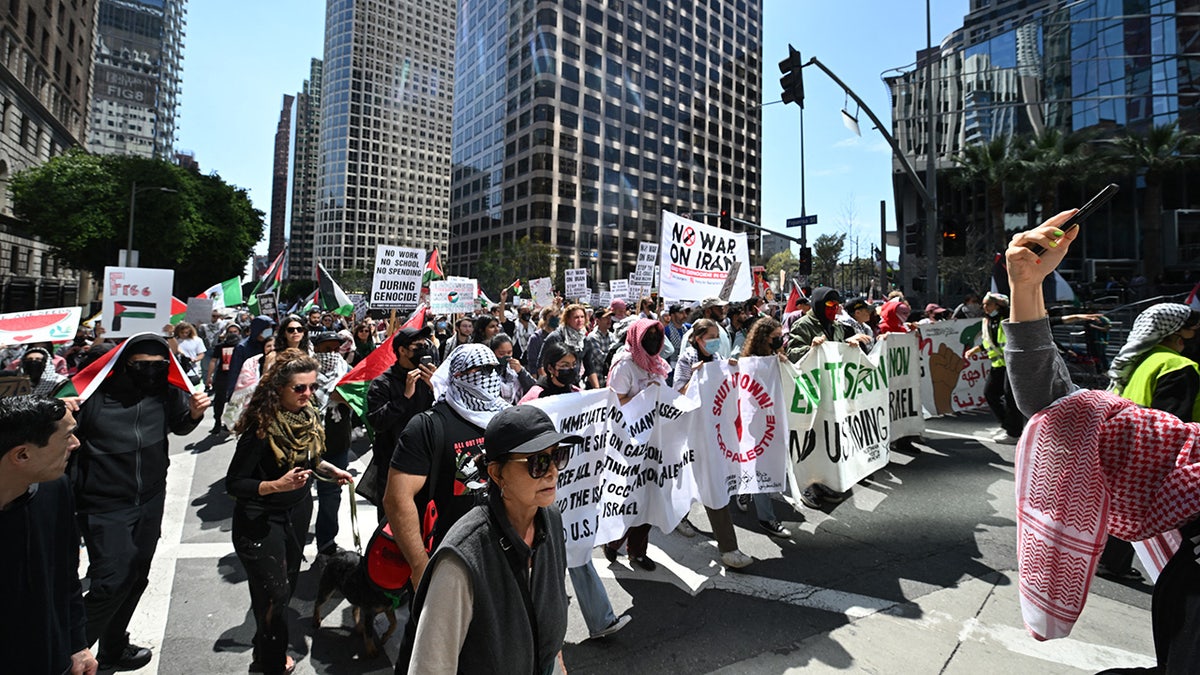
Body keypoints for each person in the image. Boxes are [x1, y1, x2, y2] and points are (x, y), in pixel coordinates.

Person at [1004, 213, 1200, 673]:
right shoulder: (1177, 370)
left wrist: (1028, 288)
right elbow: (1068, 413)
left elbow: (1069, 412)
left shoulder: (1145, 362)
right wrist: (1026, 287)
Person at [403, 405, 577, 673]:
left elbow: (548, 613)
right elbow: (430, 666)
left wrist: (557, 661)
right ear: (497, 473)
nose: (553, 471)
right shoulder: (462, 558)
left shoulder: (550, 519)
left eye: (558, 457)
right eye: (537, 462)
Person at [72, 334, 210, 671]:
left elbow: (178, 426)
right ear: (124, 365)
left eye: (159, 365)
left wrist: (192, 415)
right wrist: (60, 410)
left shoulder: (165, 391)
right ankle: (69, 653)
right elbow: (55, 431)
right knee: (112, 579)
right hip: (103, 504)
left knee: (137, 577)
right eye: (142, 366)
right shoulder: (89, 397)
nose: (152, 371)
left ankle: (114, 648)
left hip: (150, 498)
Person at [227, 349, 352, 675]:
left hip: (296, 514)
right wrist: (274, 486)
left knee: (281, 592)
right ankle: (268, 663)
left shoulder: (307, 417)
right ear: (278, 388)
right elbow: (235, 483)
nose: (308, 394)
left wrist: (330, 470)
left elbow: (309, 461)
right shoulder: (261, 426)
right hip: (259, 520)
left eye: (312, 387)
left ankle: (265, 649)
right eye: (300, 388)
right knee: (276, 594)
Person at [384, 344, 510, 589]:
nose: (490, 376)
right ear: (458, 376)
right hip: (449, 559)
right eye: (480, 370)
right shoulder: (427, 426)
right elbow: (397, 499)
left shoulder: (506, 420)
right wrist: (421, 566)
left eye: (494, 369)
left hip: (502, 559)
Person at [1093, 303, 1200, 581]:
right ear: (1177, 332)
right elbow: (1173, 419)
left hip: (1129, 446)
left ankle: (1110, 562)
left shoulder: (1140, 358)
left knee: (1124, 509)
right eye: (1194, 329)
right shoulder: (1178, 365)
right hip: (1159, 453)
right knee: (1148, 516)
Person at [0, 395, 97, 675]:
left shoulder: (55, 489)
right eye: (67, 437)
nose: (76, 444)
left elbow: (67, 576)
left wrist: (77, 644)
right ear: (22, 455)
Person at [672, 318, 757, 567]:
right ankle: (728, 548)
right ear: (698, 339)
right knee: (705, 481)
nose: (715, 340)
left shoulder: (718, 360)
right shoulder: (687, 359)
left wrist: (732, 370)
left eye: (716, 335)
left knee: (706, 481)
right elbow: (677, 391)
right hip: (693, 431)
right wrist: (696, 377)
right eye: (710, 336)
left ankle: (681, 516)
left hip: (715, 431)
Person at [603, 318, 670, 571]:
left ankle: (638, 552)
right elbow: (615, 401)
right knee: (628, 496)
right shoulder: (625, 365)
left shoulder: (657, 365)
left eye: (656, 335)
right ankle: (613, 540)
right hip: (628, 442)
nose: (653, 340)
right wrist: (643, 396)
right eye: (648, 336)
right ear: (636, 337)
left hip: (653, 440)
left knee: (649, 495)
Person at [364, 326, 438, 514]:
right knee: (393, 519)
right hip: (393, 462)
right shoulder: (382, 383)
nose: (422, 350)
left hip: (426, 459)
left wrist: (436, 389)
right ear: (402, 351)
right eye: (417, 347)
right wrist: (404, 398)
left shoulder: (429, 378)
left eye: (425, 345)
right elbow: (377, 422)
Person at [736, 317, 794, 538]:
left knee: (762, 462)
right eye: (775, 338)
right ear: (763, 339)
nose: (780, 341)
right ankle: (766, 518)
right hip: (756, 423)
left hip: (773, 420)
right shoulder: (749, 362)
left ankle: (744, 488)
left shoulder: (774, 358)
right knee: (762, 466)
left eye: (781, 337)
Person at [312, 333, 354, 554]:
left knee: (330, 496)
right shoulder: (303, 373)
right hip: (306, 445)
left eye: (335, 349)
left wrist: (344, 398)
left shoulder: (348, 372)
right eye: (326, 349)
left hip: (336, 444)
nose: (331, 354)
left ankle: (326, 542)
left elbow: (360, 402)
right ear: (316, 349)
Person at [965, 292, 1024, 444]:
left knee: (1010, 399)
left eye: (988, 304)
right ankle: (1010, 426)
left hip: (1012, 365)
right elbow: (989, 343)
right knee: (990, 393)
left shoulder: (1008, 320)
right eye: (983, 304)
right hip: (998, 365)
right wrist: (974, 350)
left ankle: (1014, 433)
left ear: (998, 305)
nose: (984, 307)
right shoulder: (988, 321)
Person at [225, 315, 277, 400]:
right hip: (248, 392)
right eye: (266, 329)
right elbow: (235, 371)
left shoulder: (271, 345)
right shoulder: (242, 347)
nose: (269, 332)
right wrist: (232, 394)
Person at [205, 323, 243, 433]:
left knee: (235, 401)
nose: (232, 334)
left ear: (239, 333)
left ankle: (230, 423)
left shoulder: (242, 346)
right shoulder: (220, 346)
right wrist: (209, 376)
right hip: (223, 376)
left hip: (237, 377)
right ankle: (217, 422)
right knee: (219, 401)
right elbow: (213, 361)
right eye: (230, 332)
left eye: (235, 332)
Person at [488, 333, 534, 405]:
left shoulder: (515, 367)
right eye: (502, 353)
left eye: (509, 352)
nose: (506, 356)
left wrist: (521, 372)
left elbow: (533, 389)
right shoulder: (487, 371)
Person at [582, 307, 614, 390]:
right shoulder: (592, 337)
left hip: (608, 382)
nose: (609, 320)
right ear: (598, 320)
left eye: (610, 318)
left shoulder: (612, 336)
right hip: (595, 383)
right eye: (606, 318)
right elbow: (602, 358)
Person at [523, 307, 558, 373]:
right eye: (551, 316)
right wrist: (534, 374)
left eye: (556, 316)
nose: (554, 319)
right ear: (545, 318)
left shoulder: (559, 336)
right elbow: (532, 360)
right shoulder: (536, 338)